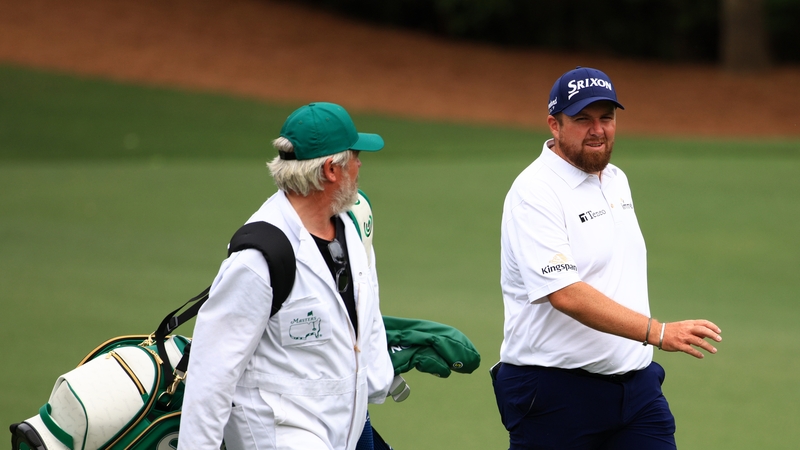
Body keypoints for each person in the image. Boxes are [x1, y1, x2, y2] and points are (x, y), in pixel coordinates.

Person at [492, 67, 723, 450]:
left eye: (606, 118)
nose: (597, 129)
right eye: (582, 119)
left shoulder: (614, 178)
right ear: (554, 124)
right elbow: (564, 293)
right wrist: (658, 332)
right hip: (555, 394)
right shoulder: (534, 192)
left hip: (636, 390)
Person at [178, 102, 395, 450]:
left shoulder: (348, 231)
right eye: (354, 155)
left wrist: (381, 372)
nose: (360, 164)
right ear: (331, 170)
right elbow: (211, 375)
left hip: (340, 432)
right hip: (277, 434)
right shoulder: (257, 259)